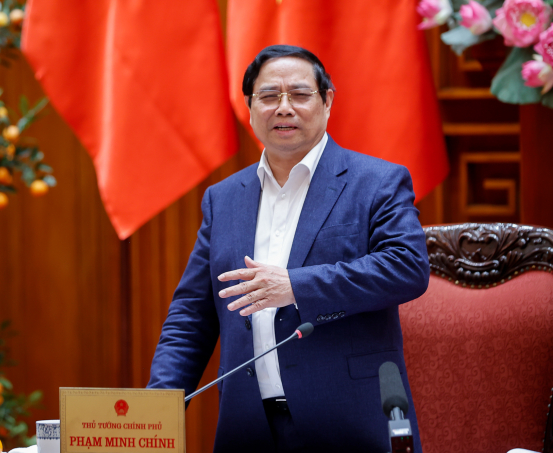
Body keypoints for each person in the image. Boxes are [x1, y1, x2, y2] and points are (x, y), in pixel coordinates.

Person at [148, 45, 429, 453]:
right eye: (268, 96)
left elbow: (406, 267)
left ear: (327, 101)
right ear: (249, 108)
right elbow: (192, 315)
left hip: (349, 426)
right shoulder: (223, 199)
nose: (283, 107)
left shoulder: (377, 182)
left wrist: (295, 286)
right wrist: (157, 408)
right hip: (248, 428)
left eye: (299, 94)